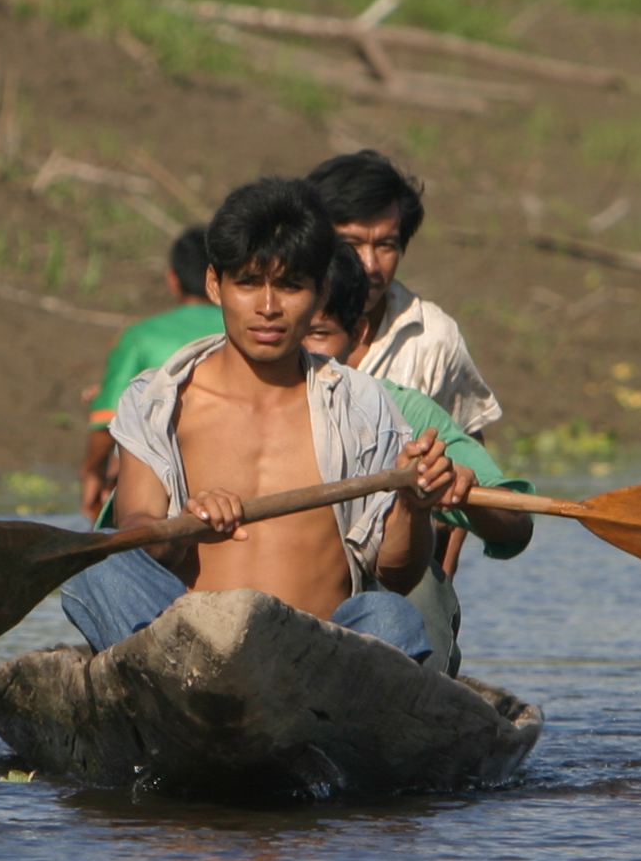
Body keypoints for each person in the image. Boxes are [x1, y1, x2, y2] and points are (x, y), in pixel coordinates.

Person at [61, 178, 461, 660]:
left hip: (317, 664)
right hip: (190, 660)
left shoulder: (362, 405)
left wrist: (414, 507)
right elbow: (139, 527)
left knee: (391, 617)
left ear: (321, 292)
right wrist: (184, 528)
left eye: (290, 286)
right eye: (248, 283)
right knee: (99, 561)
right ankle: (180, 692)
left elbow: (397, 574)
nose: (268, 308)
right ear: (215, 284)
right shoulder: (159, 399)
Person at [306, 246, 531, 675]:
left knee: (417, 591)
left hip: (375, 603)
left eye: (316, 333)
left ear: (356, 334)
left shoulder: (402, 412)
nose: (298, 352)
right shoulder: (216, 402)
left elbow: (515, 525)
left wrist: (462, 491)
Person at [303, 148, 500, 440]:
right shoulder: (277, 320)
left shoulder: (432, 338)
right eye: (351, 243)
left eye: (386, 246)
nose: (369, 265)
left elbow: (469, 456)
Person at [79, 225, 220, 519]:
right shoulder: (254, 330)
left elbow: (107, 415)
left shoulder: (140, 336)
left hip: (160, 480)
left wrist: (91, 472)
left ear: (173, 280)